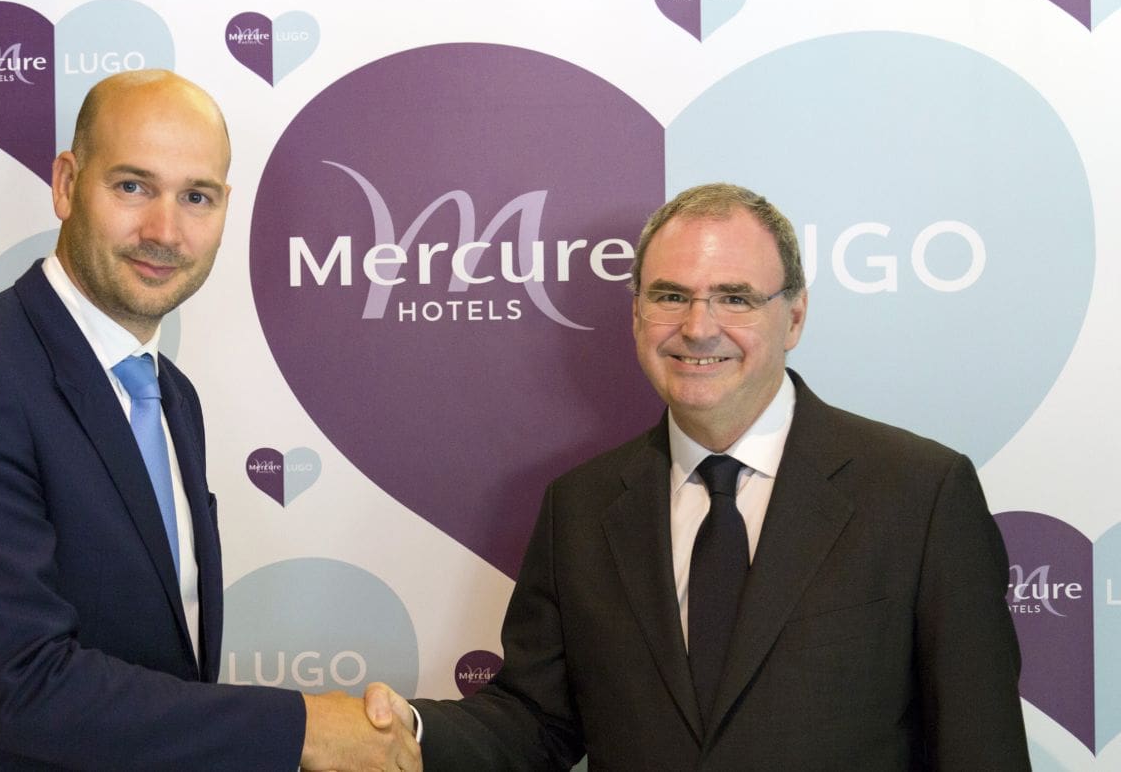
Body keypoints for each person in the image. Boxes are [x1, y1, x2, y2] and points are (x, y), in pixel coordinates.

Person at [366, 183, 1030, 769]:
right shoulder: (581, 507)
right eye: (670, 296)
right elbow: (536, 722)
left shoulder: (920, 494)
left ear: (795, 317)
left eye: (735, 298)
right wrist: (410, 733)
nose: (697, 327)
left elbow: (980, 748)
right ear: (636, 315)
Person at [0, 70, 419, 771]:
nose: (164, 231)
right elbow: (19, 680)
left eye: (196, 197)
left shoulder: (170, 395)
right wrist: (300, 729)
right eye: (133, 186)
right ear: (66, 184)